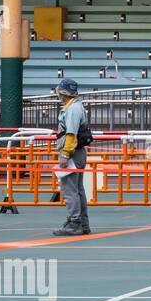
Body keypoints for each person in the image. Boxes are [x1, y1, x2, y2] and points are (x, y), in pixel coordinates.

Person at [51, 78, 92, 237]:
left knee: (70, 190)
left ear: (63, 93)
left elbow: (70, 134)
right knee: (78, 190)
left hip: (73, 152)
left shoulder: (72, 109)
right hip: (78, 152)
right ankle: (82, 223)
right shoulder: (75, 107)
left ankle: (75, 222)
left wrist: (65, 154)